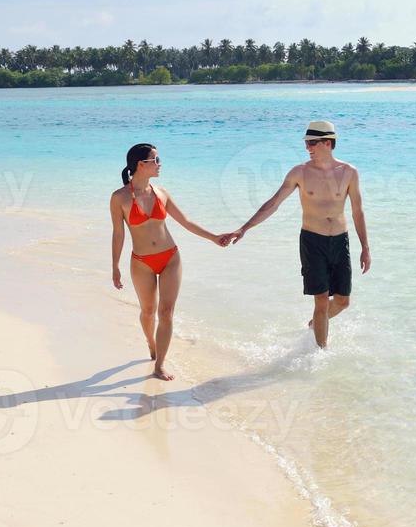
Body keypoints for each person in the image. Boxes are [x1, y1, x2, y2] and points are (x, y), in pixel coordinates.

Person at [224, 121, 370, 348]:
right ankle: (320, 354)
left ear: (328, 143)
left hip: (340, 241)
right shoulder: (300, 172)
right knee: (321, 300)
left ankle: (314, 324)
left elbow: (357, 212)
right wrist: (244, 228)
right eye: (306, 143)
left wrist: (365, 248)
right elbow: (273, 203)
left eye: (312, 143)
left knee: (342, 301)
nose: (308, 147)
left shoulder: (349, 172)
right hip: (312, 241)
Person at [110, 143, 231, 380]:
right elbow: (118, 233)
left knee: (165, 312)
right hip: (141, 261)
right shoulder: (119, 198)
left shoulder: (161, 193)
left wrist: (214, 238)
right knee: (148, 311)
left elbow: (185, 221)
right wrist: (115, 266)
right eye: (155, 160)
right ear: (140, 165)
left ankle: (159, 366)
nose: (159, 164)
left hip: (170, 258)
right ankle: (151, 343)